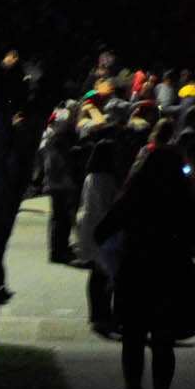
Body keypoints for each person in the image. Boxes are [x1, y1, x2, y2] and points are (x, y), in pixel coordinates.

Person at [96, 133, 195, 389]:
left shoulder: (135, 195)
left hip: (136, 273)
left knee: (133, 339)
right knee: (163, 342)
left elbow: (102, 230)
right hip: (171, 274)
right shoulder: (183, 199)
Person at [75, 134, 128, 337]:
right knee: (105, 272)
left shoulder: (91, 176)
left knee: (98, 273)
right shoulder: (105, 178)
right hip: (102, 229)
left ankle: (98, 314)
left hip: (90, 227)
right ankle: (103, 315)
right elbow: (108, 205)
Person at [37, 113, 82, 266]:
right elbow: (55, 165)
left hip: (57, 185)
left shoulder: (55, 141)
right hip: (59, 186)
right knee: (61, 219)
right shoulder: (56, 143)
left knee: (61, 219)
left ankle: (60, 248)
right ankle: (58, 251)